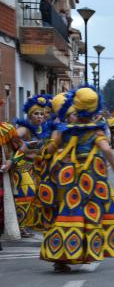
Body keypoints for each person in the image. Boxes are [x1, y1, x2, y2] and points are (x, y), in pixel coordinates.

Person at [39, 86, 114, 272]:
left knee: (71, 214)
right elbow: (105, 149)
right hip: (94, 181)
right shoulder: (96, 131)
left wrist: (46, 157)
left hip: (71, 180)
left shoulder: (67, 131)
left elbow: (51, 149)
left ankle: (61, 259)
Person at [11, 95, 50, 237]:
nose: (40, 117)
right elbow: (12, 136)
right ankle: (20, 226)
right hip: (21, 165)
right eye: (36, 113)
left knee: (37, 195)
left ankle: (29, 223)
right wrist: (25, 147)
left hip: (35, 167)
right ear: (29, 115)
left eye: (42, 113)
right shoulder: (24, 129)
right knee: (27, 193)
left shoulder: (42, 130)